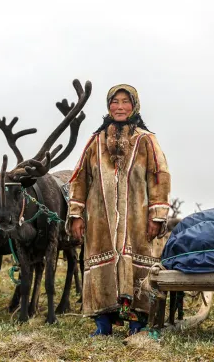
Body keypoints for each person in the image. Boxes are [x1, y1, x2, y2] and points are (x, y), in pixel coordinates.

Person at [66, 84, 171, 337]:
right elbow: (79, 178)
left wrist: (157, 214)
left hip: (137, 219)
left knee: (138, 268)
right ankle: (103, 323)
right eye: (115, 101)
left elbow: (160, 177)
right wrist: (76, 214)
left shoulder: (146, 140)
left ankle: (138, 323)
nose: (120, 106)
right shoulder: (96, 141)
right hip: (100, 220)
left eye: (125, 101)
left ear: (134, 106)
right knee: (101, 267)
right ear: (108, 106)